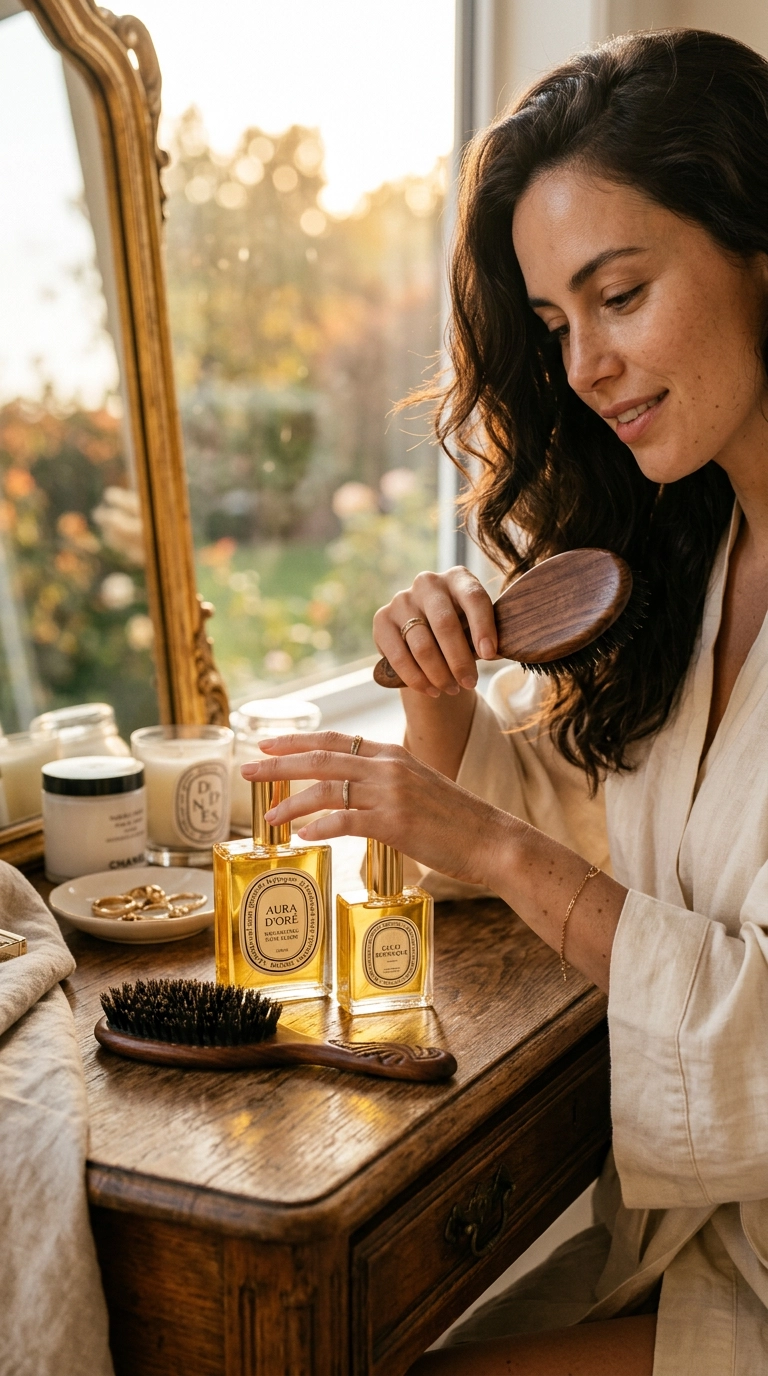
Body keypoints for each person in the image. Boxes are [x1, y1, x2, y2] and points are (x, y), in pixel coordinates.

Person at [243, 28, 768, 1374]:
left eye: (622, 293)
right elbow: (597, 839)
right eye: (553, 326)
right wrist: (441, 702)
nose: (584, 367)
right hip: (717, 1251)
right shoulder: (700, 561)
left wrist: (481, 841)